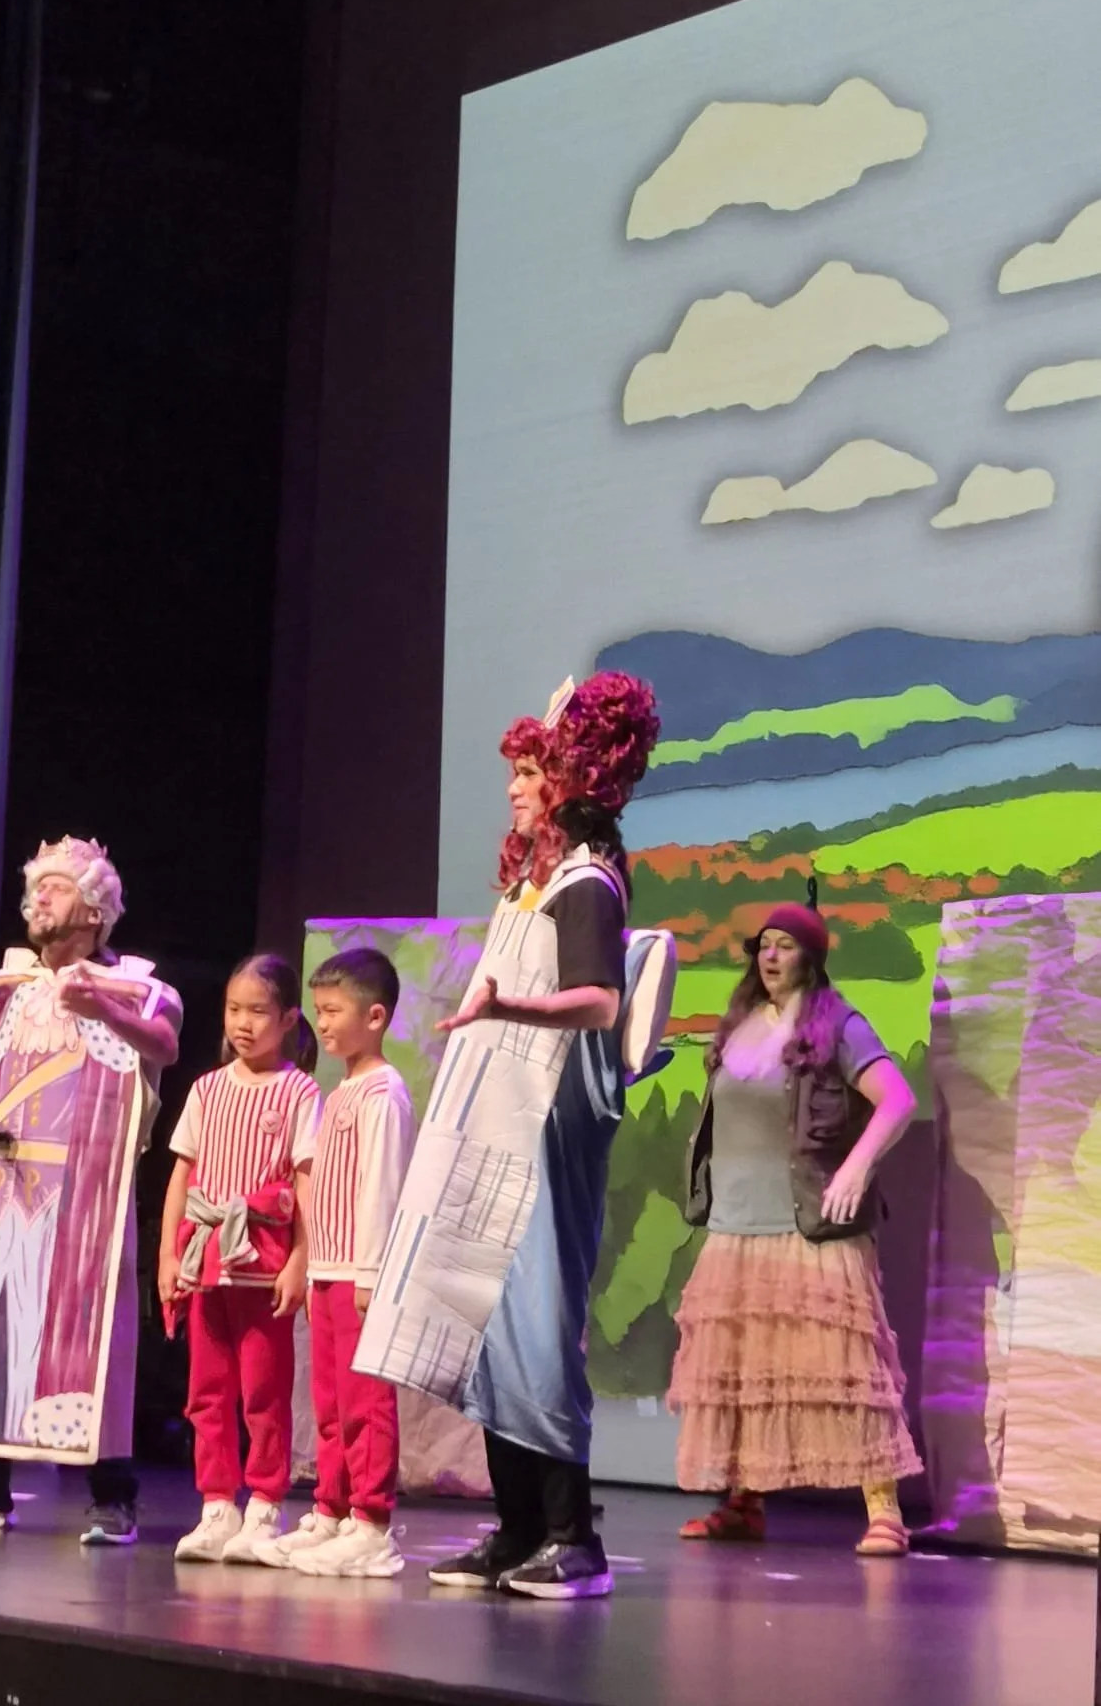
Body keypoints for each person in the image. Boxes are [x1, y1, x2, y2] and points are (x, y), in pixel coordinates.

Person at [357, 670, 660, 1600]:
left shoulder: (585, 884)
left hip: (542, 1129)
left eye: (531, 771)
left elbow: (601, 1000)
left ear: (571, 779)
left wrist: (509, 1005)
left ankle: (574, 1537)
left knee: (535, 1323)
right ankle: (518, 1526)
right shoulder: (528, 890)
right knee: (484, 1324)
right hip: (494, 1129)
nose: (516, 789)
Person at [0, 836, 182, 1544]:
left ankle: (112, 1496)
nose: (39, 899)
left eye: (57, 888)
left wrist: (100, 1007)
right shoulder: (5, 987)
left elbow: (163, 1043)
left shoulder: (140, 985)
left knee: (93, 1346)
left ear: (94, 908)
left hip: (81, 1197)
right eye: (38, 888)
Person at [667, 901, 921, 1556]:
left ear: (812, 955)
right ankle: (744, 1503)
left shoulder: (838, 1023)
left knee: (846, 1368)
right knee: (746, 1369)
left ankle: (885, 1510)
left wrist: (855, 1170)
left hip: (807, 1223)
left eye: (785, 944)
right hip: (736, 1223)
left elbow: (897, 1099)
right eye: (763, 944)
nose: (770, 955)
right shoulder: (740, 1025)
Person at [256, 946, 416, 1579]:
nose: (321, 1024)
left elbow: (381, 1185)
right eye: (317, 1011)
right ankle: (333, 1508)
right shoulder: (344, 1088)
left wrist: (372, 1273)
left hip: (360, 1271)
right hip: (328, 1267)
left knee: (365, 1398)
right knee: (328, 1397)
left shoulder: (383, 1092)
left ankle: (372, 1523)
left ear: (374, 1017)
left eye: (332, 1011)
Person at [161, 954, 322, 1563]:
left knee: (263, 1388)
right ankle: (216, 1506)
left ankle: (264, 1506)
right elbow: (182, 1175)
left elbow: (307, 1186)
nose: (243, 1023)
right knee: (207, 1390)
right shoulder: (206, 1089)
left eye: (258, 1011)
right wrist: (167, 1257)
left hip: (262, 1258)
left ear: (287, 1020)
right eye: (234, 1009)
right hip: (206, 1260)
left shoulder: (299, 1091)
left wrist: (300, 1261)